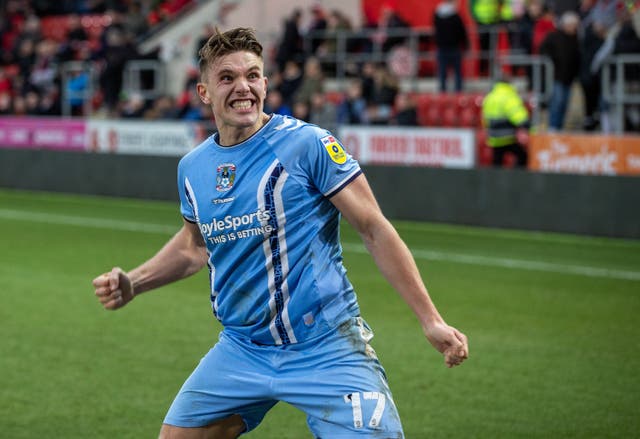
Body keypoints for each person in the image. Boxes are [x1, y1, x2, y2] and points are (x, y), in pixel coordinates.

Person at [92, 27, 469, 439]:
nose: (243, 87)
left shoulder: (309, 145)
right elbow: (193, 246)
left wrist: (430, 320)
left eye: (253, 76)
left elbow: (374, 229)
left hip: (326, 347)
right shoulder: (192, 168)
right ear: (203, 92)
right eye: (228, 78)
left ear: (266, 84)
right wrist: (135, 282)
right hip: (242, 349)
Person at [539, 11, 581, 131]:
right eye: (572, 25)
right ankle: (553, 127)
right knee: (556, 103)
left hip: (568, 78)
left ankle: (559, 128)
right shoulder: (554, 37)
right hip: (556, 77)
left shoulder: (575, 39)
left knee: (564, 105)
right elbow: (543, 50)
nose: (574, 28)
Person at [481, 75, 530, 166]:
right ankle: (516, 177)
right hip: (508, 136)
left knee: (497, 161)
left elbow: (484, 119)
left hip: (494, 137)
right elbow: (518, 116)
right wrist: (525, 126)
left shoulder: (490, 97)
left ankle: (495, 179)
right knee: (523, 156)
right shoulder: (509, 96)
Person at [433, 0, 469, 92]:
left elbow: (435, 31)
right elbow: (461, 32)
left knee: (442, 73)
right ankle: (458, 92)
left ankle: (442, 93)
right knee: (457, 73)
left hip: (442, 48)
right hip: (454, 47)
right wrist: (466, 45)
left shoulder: (437, 14)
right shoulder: (455, 16)